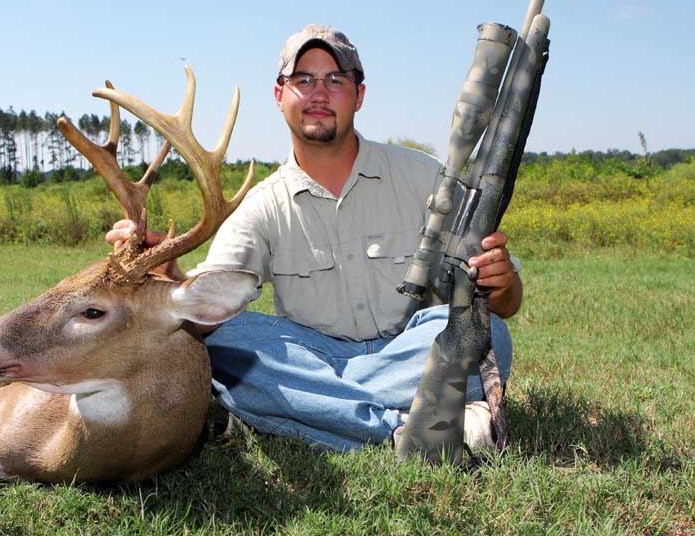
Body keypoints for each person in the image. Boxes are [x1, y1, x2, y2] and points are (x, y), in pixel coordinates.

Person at [107, 24, 522, 452]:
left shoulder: (424, 176)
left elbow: (507, 304)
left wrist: (503, 282)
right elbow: (206, 305)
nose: (319, 94)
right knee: (225, 341)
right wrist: (164, 265)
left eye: (335, 80)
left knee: (489, 331)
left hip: (408, 352)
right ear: (279, 95)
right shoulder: (263, 205)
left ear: (359, 95)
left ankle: (304, 413)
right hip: (312, 357)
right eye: (303, 80)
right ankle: (398, 426)